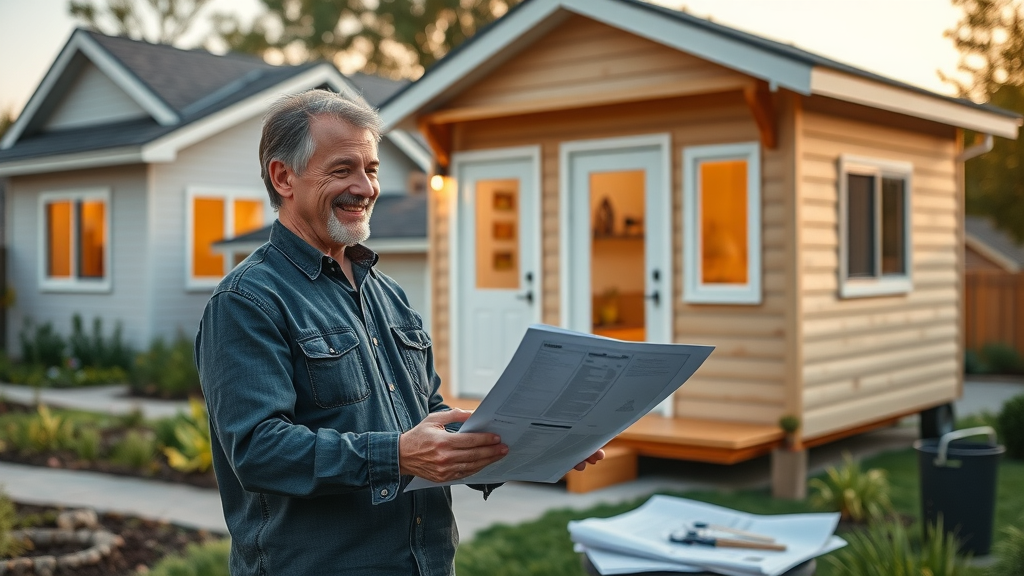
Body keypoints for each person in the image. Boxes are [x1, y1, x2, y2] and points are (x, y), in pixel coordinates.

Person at [195, 89, 603, 576]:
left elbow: (426, 420)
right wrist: (396, 455)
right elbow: (259, 450)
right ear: (283, 176)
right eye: (343, 169)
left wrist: (529, 446)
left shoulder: (389, 294)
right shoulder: (246, 301)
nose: (366, 187)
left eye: (371, 169)